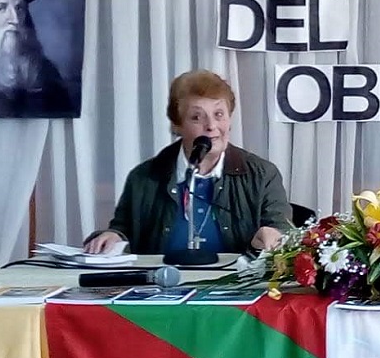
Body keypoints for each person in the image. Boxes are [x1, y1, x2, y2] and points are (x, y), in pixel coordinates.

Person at [84, 70, 291, 255]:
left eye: (219, 114)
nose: (211, 126)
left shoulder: (262, 174)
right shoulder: (144, 177)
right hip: (161, 288)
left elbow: (282, 232)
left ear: (230, 119)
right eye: (196, 117)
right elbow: (124, 231)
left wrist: (270, 237)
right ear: (177, 125)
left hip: (235, 286)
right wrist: (113, 237)